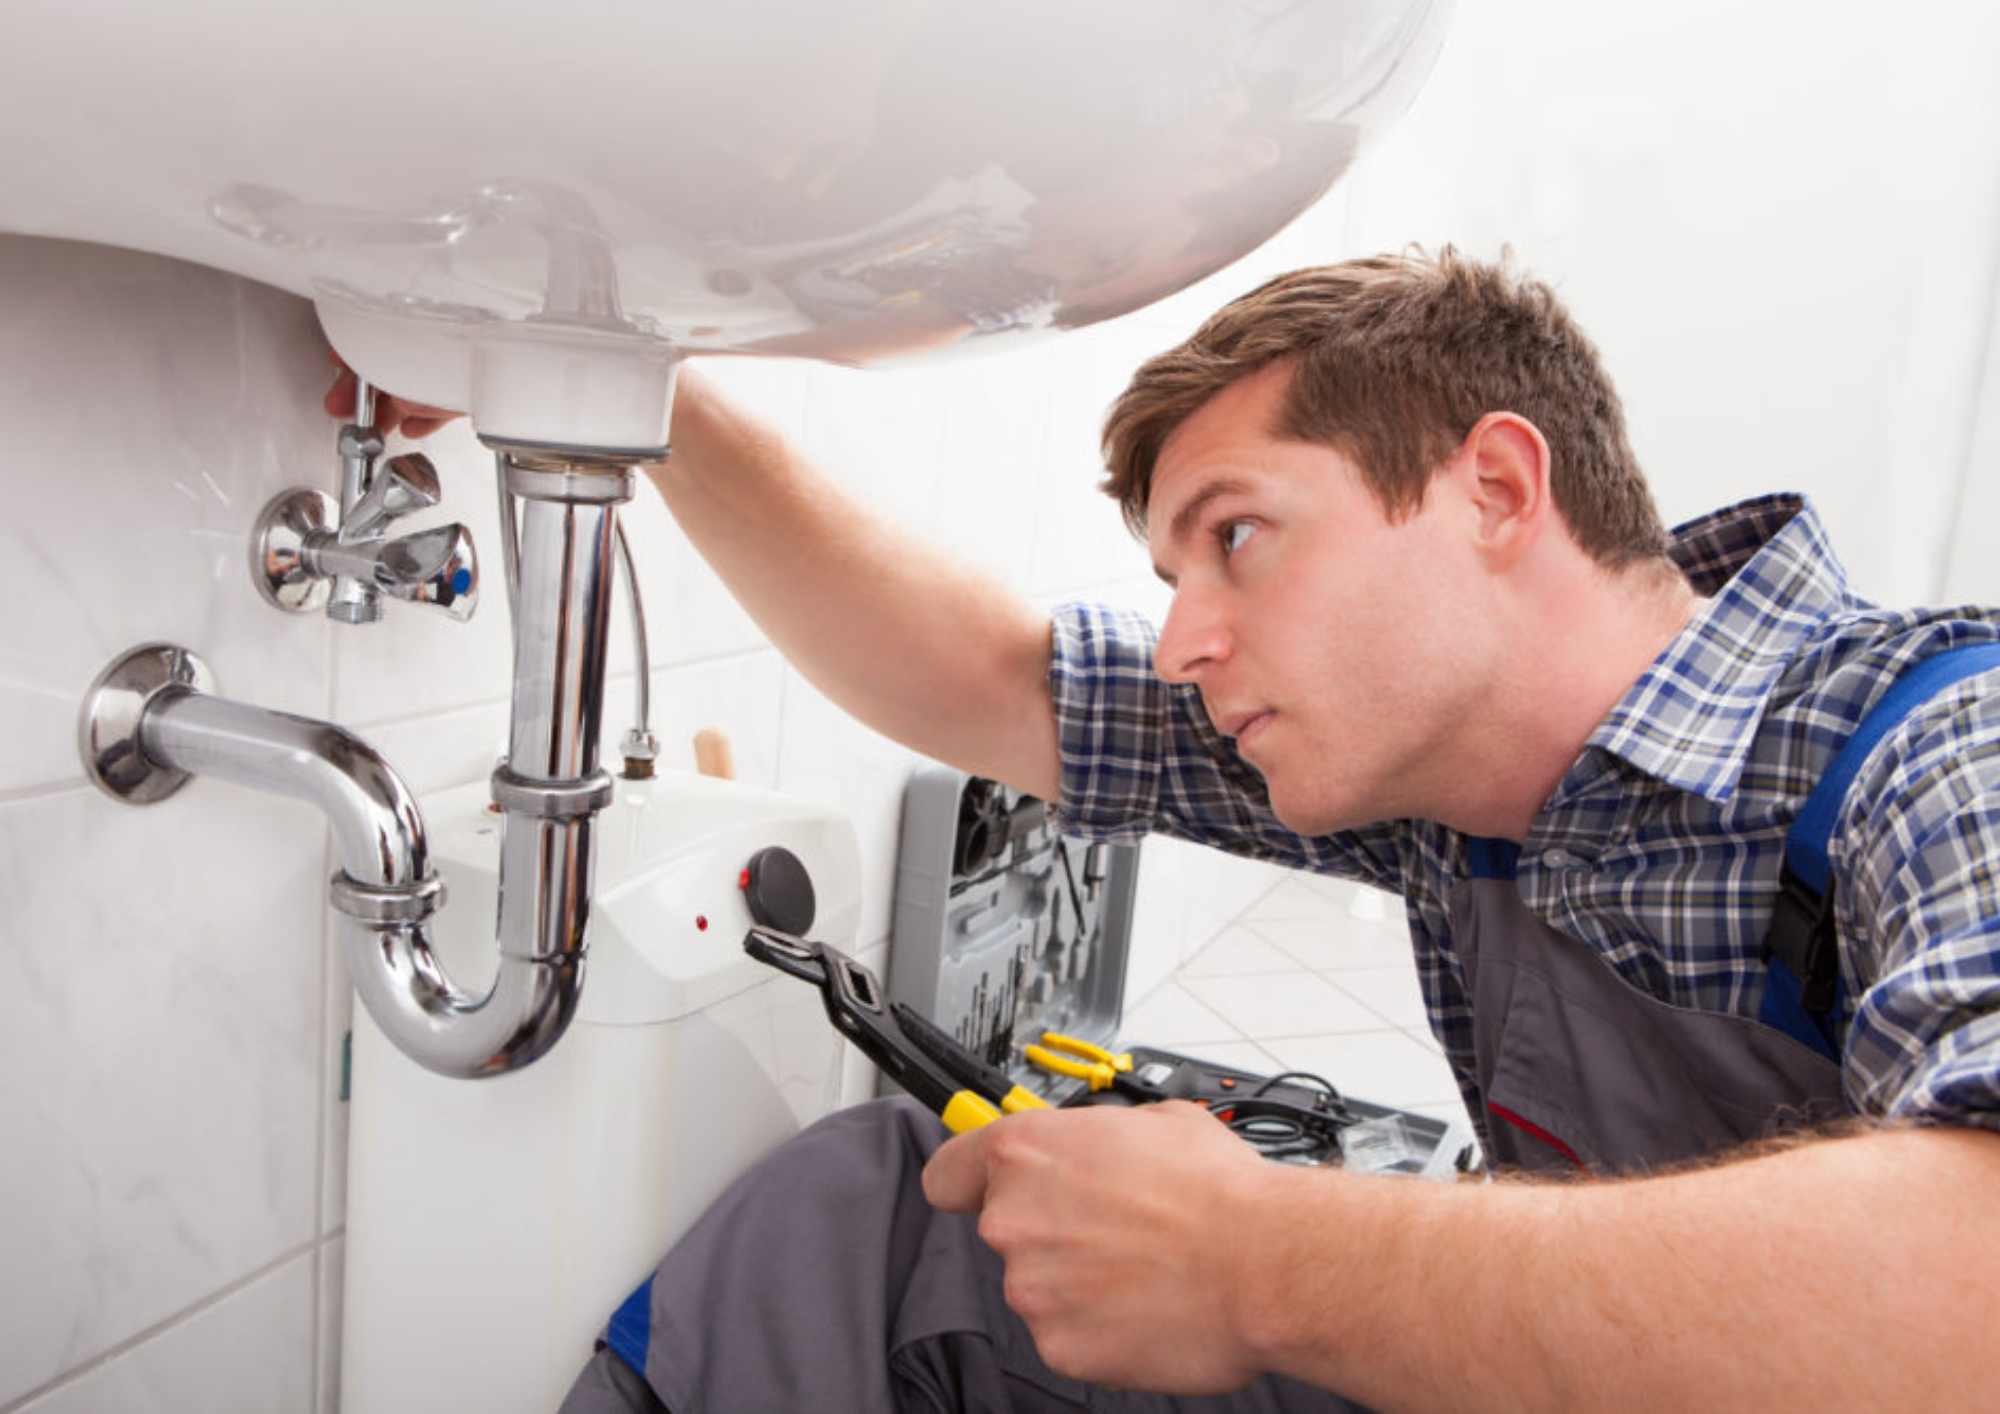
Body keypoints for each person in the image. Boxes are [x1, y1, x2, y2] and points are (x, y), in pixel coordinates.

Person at [332, 249, 2000, 1410]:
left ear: (1497, 489)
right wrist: (614, 382)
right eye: (1170, 578)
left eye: (1240, 539)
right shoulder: (1442, 801)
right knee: (890, 1221)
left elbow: (1967, 1308)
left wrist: (1264, 1259)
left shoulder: (1944, 747)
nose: (1191, 637)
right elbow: (989, 677)